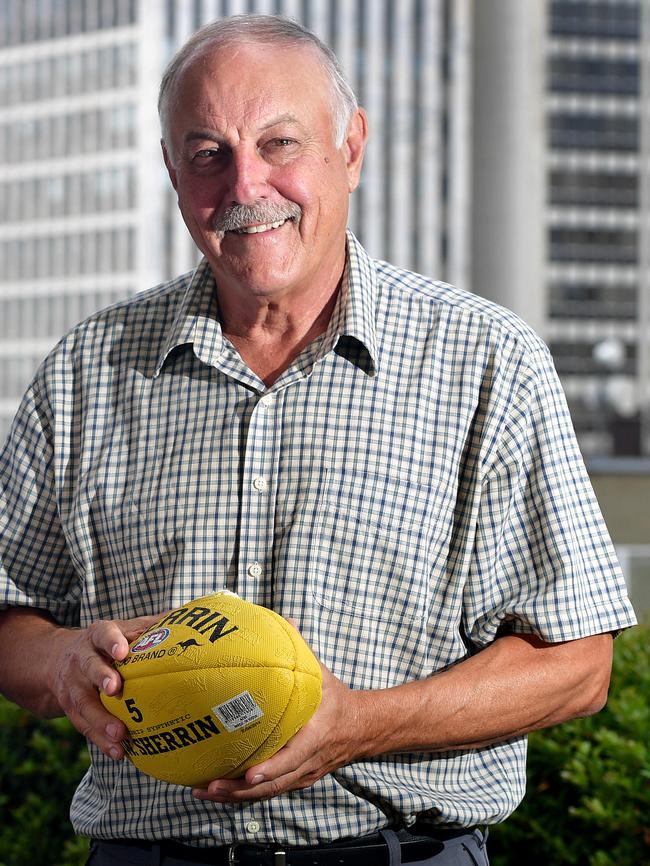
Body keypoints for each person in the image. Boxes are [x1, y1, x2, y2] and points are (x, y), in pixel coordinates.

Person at [0, 14, 637, 866]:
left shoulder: (488, 360)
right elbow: (9, 615)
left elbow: (577, 665)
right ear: (171, 171)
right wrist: (62, 663)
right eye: (207, 153)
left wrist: (356, 726)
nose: (245, 184)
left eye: (279, 142)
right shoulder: (85, 371)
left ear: (352, 147)